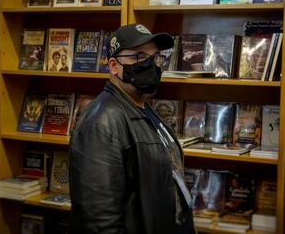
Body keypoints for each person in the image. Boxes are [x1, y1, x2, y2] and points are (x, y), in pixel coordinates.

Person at [69, 23, 195, 233]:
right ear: (114, 66)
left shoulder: (142, 107)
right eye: (138, 57)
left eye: (155, 57)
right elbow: (99, 221)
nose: (150, 64)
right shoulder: (101, 122)